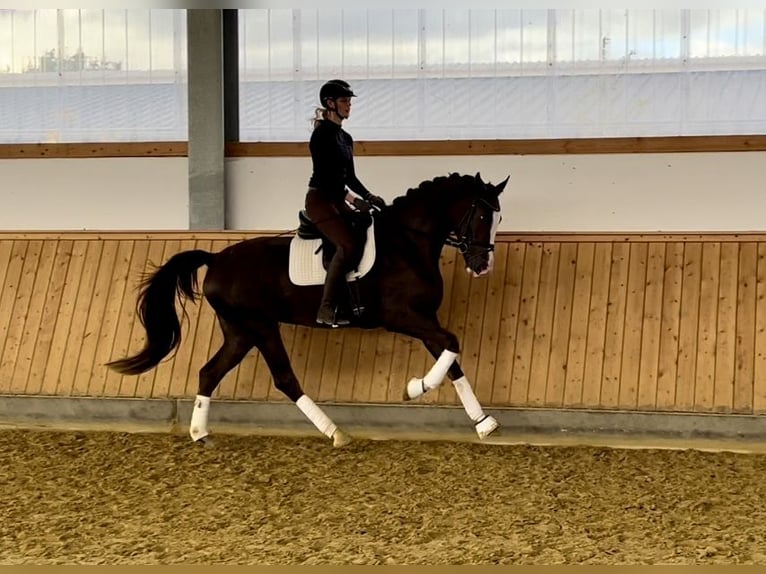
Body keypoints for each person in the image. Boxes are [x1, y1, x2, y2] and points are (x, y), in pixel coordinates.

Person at [305, 79, 386, 327]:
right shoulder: (321, 136)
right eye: (344, 101)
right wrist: (353, 199)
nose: (349, 105)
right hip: (320, 198)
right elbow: (329, 180)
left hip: (338, 197)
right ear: (330, 104)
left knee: (364, 223)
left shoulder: (346, 137)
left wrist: (369, 196)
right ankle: (326, 308)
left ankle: (354, 298)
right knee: (347, 246)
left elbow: (349, 176)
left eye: (349, 101)